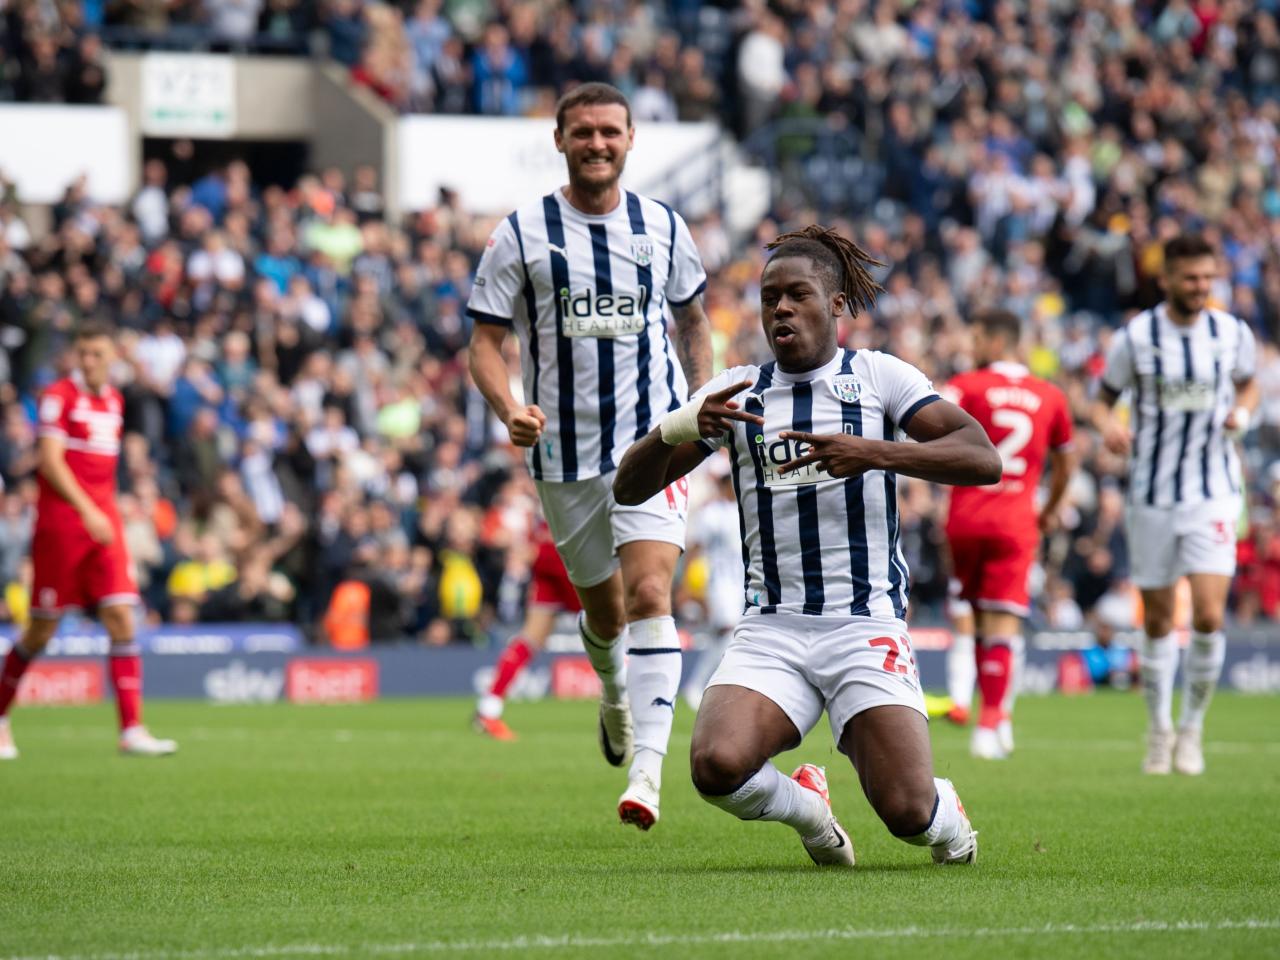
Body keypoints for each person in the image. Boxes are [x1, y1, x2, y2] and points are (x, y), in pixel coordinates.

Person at [614, 225, 1000, 866]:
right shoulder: (737, 392)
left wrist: (874, 451)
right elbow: (630, 489)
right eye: (770, 299)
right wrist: (678, 427)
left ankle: (946, 815)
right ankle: (812, 813)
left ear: (837, 303)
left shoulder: (879, 378)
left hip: (863, 621)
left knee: (908, 814)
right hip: (772, 628)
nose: (780, 309)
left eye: (797, 295)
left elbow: (982, 458)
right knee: (714, 765)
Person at [466, 83, 713, 829]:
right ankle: (614, 698)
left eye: (610, 131)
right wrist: (510, 407)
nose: (597, 143)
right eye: (584, 132)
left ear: (631, 139)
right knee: (603, 615)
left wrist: (699, 406)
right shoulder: (521, 232)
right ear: (561, 139)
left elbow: (693, 319)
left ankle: (647, 775)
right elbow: (484, 343)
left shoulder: (663, 227)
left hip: (653, 442)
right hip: (564, 458)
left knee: (649, 598)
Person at [1094, 234, 1258, 776]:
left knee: (1209, 614)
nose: (1201, 287)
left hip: (1212, 490)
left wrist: (1243, 415)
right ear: (1166, 279)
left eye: (1208, 278)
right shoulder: (1137, 337)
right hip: (1152, 494)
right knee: (1160, 620)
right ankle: (1159, 730)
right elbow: (1101, 402)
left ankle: (1193, 729)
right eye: (1191, 278)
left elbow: (1249, 386)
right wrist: (1111, 428)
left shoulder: (1230, 332)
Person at [0, 324, 176, 760]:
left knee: (121, 615)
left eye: (97, 354)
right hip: (62, 525)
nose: (89, 361)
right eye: (83, 353)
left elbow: (102, 471)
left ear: (112, 356)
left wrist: (113, 507)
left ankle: (131, 728)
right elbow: (51, 463)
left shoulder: (114, 401)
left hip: (104, 522)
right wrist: (88, 509)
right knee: (42, 628)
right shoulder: (59, 396)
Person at [943, 309, 1075, 760]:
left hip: (965, 516)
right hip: (1017, 519)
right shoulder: (1050, 395)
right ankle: (992, 720)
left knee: (974, 619)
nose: (972, 345)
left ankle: (991, 714)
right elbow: (1066, 463)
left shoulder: (966, 385)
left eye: (977, 336)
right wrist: (1050, 510)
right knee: (1004, 622)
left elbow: (928, 426)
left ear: (998, 342)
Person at [473, 522, 581, 740]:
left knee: (529, 640)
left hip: (549, 554)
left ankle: (488, 709)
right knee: (614, 628)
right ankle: (635, 707)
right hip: (568, 554)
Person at [680, 454, 743, 712]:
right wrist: (690, 587)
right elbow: (695, 551)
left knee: (732, 636)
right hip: (718, 582)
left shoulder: (742, 509)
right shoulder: (710, 513)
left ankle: (712, 686)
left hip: (742, 582)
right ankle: (698, 686)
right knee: (728, 629)